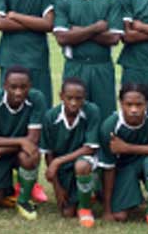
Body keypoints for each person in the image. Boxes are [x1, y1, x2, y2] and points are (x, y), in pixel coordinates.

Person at [98, 83, 148, 232]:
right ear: (121, 104)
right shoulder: (109, 126)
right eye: (129, 104)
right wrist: (107, 210)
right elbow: (108, 168)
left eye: (139, 104)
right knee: (120, 216)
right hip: (125, 167)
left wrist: (127, 148)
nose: (134, 109)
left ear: (146, 104)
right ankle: (134, 196)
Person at [53, 0, 123, 116]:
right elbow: (62, 38)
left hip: (102, 66)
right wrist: (96, 28)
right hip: (75, 66)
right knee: (74, 114)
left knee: (104, 114)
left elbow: (113, 38)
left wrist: (77, 31)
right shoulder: (64, 0)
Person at [0, 66, 46, 220]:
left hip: (14, 153)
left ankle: (24, 199)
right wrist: (20, 140)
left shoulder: (37, 98)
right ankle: (7, 187)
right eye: (13, 87)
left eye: (23, 87)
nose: (18, 92)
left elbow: (32, 141)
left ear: (30, 86)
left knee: (30, 155)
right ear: (4, 86)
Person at [40, 78, 101, 227]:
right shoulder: (51, 116)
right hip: (63, 169)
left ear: (84, 98)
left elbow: (90, 147)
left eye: (78, 98)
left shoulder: (92, 111)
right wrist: (57, 187)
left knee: (81, 165)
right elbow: (48, 153)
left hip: (85, 162)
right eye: (69, 98)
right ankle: (82, 193)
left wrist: (57, 161)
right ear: (61, 96)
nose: (74, 103)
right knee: (67, 213)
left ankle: (85, 208)